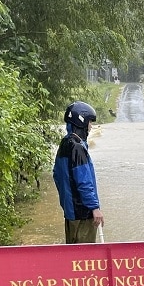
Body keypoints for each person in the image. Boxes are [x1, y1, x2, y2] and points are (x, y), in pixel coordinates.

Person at [53, 101, 104, 243]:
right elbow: (84, 182)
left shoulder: (64, 144)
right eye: (89, 122)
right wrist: (94, 208)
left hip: (70, 213)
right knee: (86, 259)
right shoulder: (78, 148)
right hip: (83, 213)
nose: (91, 126)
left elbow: (57, 176)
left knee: (72, 257)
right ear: (81, 122)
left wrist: (66, 202)